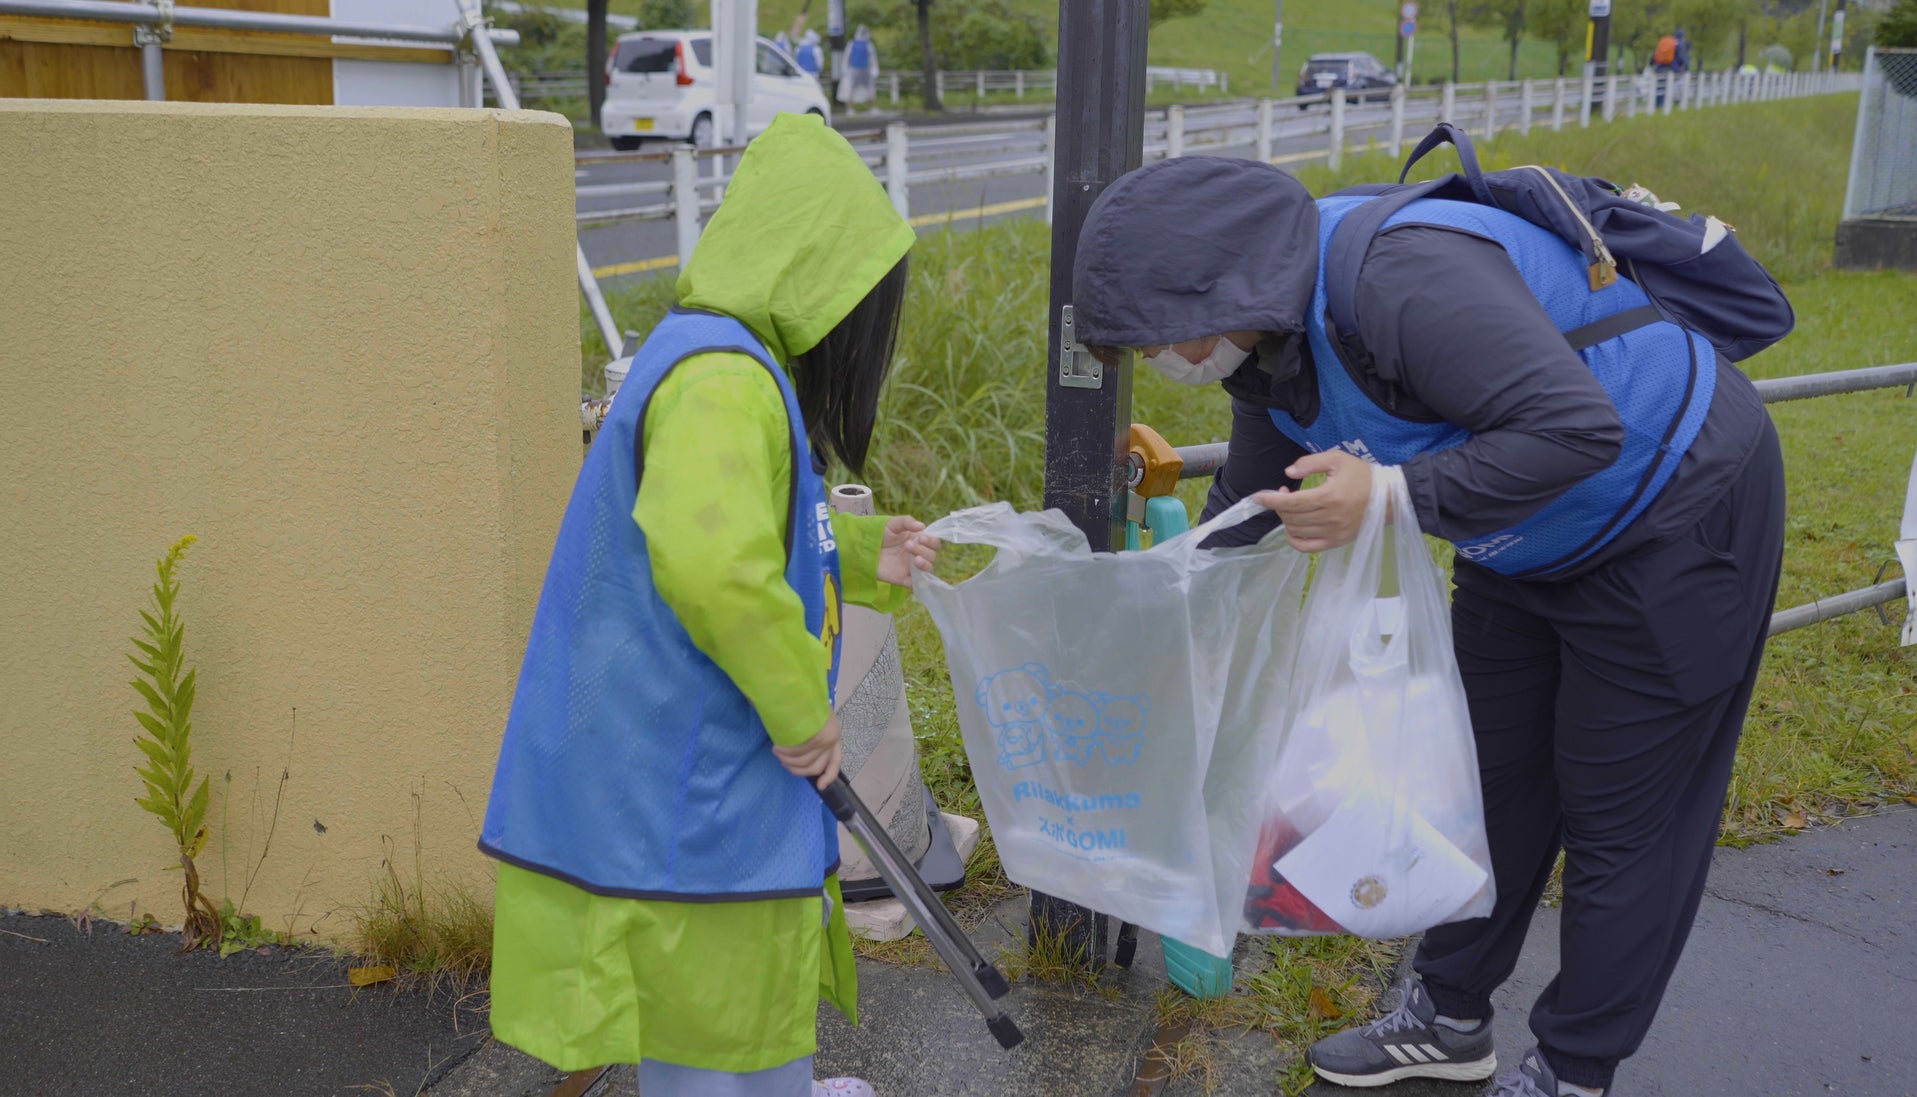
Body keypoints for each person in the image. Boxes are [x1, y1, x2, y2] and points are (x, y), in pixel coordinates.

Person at [1071, 156, 1786, 1097]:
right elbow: (1251, 497)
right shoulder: (1267, 339)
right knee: (1476, 788)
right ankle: (1447, 1016)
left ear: (1224, 284)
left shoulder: (1398, 280)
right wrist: (1158, 607)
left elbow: (1579, 428)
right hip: (1514, 540)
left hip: (1674, 510)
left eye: (1168, 337)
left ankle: (1576, 1067)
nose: (1170, 359)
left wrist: (1391, 493)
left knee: (1621, 820)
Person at [478, 113, 937, 1097]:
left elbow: (758, 528)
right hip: (686, 786)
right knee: (718, 1006)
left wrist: (864, 551)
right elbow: (716, 567)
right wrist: (802, 711)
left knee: (728, 1006)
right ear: (823, 283)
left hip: (672, 764)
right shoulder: (725, 378)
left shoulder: (716, 358)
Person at [843, 25, 879, 112]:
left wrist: (845, 69)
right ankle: (851, 108)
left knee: (860, 88)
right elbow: (872, 58)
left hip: (860, 69)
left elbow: (846, 57)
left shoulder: (852, 44)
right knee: (862, 88)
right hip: (859, 69)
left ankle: (871, 107)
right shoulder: (866, 45)